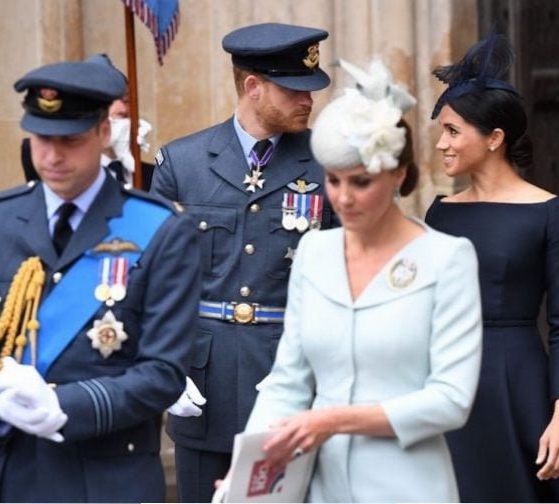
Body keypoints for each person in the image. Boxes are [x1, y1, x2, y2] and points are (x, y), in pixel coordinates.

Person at [0, 57, 200, 502]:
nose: (52, 156)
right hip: (12, 474)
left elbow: (163, 373)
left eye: (69, 140)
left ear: (102, 134)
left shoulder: (161, 231)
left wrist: (64, 406)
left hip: (110, 481)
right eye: (41, 138)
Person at [236, 59, 483, 502]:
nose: (343, 198)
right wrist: (250, 475)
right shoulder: (314, 252)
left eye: (361, 182)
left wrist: (330, 421)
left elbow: (451, 399)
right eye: (332, 181)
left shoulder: (448, 258)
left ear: (399, 175)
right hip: (319, 487)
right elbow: (287, 381)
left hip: (409, 486)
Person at [424, 32, 559, 502]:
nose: (441, 144)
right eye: (441, 131)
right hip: (446, 380)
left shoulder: (551, 212)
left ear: (494, 138)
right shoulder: (440, 212)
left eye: (453, 131)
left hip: (518, 381)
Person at [149, 22, 336, 502]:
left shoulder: (326, 163)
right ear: (253, 87)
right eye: (293, 89)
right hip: (203, 380)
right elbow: (153, 283)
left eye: (310, 89)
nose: (308, 100)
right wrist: (164, 366)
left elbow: (345, 275)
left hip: (288, 374)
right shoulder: (183, 163)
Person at [21, 53, 156, 190]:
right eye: (108, 103)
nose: (122, 110)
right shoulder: (50, 165)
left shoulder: (155, 176)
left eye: (126, 101)